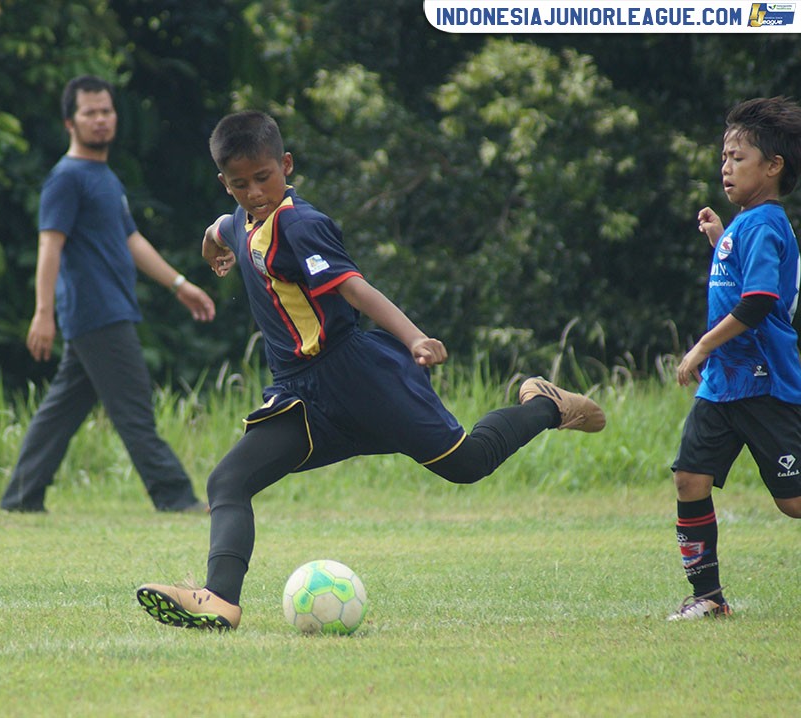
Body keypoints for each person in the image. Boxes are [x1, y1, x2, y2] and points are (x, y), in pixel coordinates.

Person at [135, 111, 607, 630]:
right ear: (224, 182)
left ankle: (544, 404)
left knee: (467, 463)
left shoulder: (301, 225)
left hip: (360, 377)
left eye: (263, 178)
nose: (254, 193)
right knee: (228, 480)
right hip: (302, 397)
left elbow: (355, 289)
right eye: (239, 184)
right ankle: (220, 600)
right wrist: (212, 243)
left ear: (286, 165)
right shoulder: (241, 218)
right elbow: (223, 227)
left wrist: (414, 337)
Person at [0, 76, 215, 514]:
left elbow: (131, 240)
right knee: (135, 411)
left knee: (62, 410)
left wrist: (179, 285)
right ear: (70, 122)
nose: (100, 119)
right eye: (90, 113)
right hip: (97, 312)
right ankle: (175, 496)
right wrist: (43, 313)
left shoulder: (105, 176)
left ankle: (20, 498)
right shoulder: (66, 178)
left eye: (106, 111)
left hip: (108, 309)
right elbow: (49, 245)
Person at [668, 96, 801, 620]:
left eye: (738, 157)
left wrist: (702, 345)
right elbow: (746, 278)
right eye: (724, 157)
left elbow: (760, 301)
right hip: (725, 384)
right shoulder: (746, 225)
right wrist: (720, 239)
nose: (726, 166)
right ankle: (708, 597)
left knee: (793, 502)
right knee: (689, 478)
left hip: (764, 383)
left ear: (773, 166)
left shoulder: (766, 223)